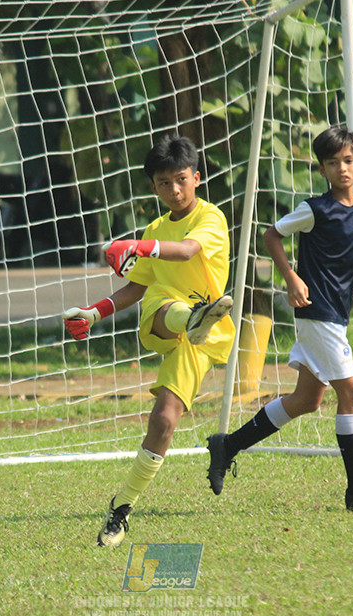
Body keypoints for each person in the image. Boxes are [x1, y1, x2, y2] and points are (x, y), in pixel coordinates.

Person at [205, 126, 353, 511]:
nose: (342, 169)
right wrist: (291, 276)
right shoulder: (315, 210)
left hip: (334, 316)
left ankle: (227, 445)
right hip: (316, 313)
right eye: (333, 163)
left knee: (306, 399)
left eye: (348, 161)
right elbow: (271, 236)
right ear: (322, 169)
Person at [63, 134, 234, 547]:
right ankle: (190, 317)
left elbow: (186, 250)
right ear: (153, 187)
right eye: (163, 183)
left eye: (180, 180)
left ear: (197, 177)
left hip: (202, 337)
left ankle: (121, 506)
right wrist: (94, 312)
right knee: (163, 298)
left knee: (163, 422)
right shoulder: (155, 228)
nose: (174, 191)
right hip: (165, 320)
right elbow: (136, 287)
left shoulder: (211, 219)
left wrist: (141, 246)